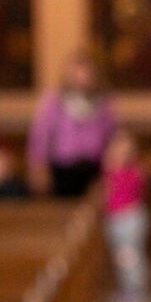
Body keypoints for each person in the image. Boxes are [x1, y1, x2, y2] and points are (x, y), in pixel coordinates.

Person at [26, 48, 118, 198]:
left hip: (94, 168)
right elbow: (41, 136)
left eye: (85, 73)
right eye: (77, 73)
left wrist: (113, 166)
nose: (81, 78)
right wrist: (38, 166)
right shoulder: (54, 101)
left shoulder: (104, 103)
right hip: (63, 168)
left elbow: (112, 137)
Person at [100, 130, 151, 296]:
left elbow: (140, 189)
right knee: (121, 255)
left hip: (130, 217)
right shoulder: (110, 173)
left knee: (130, 254)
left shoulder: (135, 172)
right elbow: (106, 195)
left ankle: (134, 288)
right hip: (115, 217)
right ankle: (127, 287)